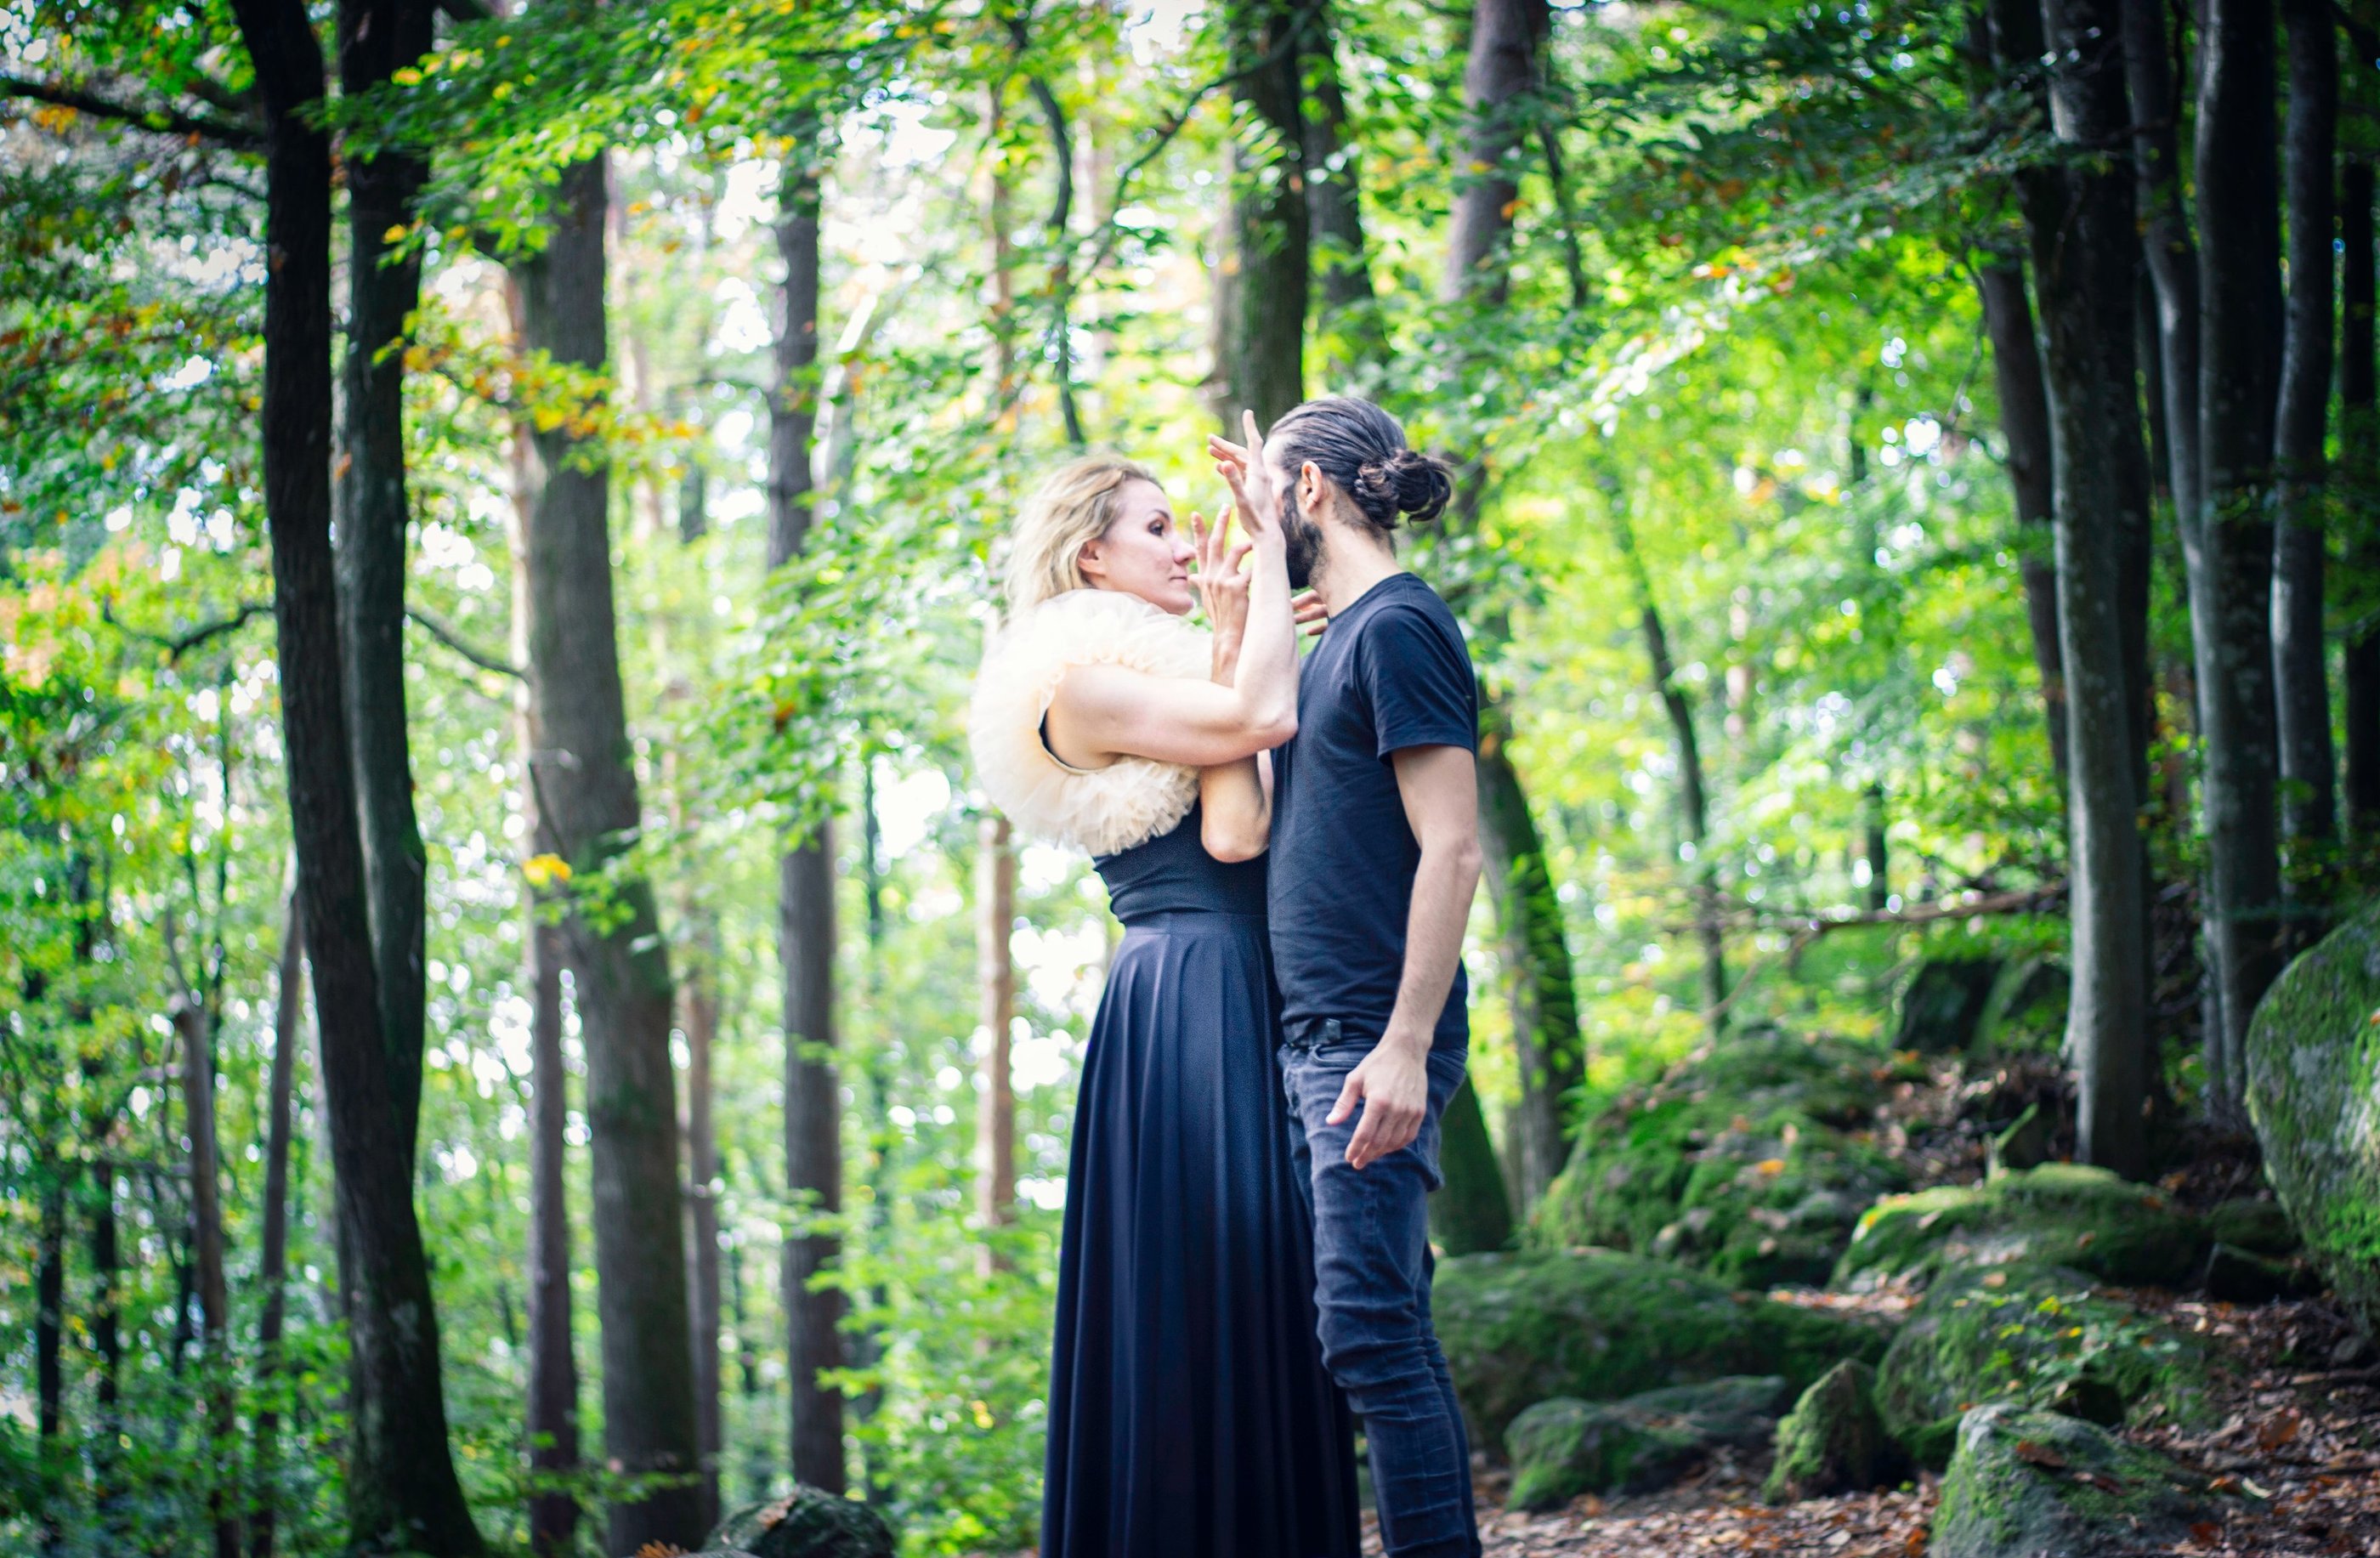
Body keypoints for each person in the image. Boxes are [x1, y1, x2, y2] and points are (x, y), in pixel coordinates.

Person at [968, 452, 1358, 1558]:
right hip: (1185, 996)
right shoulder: (1078, 685)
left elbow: (1243, 778)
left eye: (1185, 529)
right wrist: (1259, 606)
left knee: (1271, 1297)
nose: (1189, 547)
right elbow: (1238, 812)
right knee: (1201, 1299)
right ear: (1092, 552)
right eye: (1160, 529)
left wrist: (1239, 641)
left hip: (1251, 979)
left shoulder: (1181, 675)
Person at [1210, 396, 1485, 1558]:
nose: (1249, 513)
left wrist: (1409, 1042)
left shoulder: (1398, 629)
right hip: (1318, 1036)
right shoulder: (1337, 645)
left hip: (1372, 1036)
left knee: (1368, 1332)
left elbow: (1455, 844)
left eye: (1266, 489)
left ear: (1309, 491)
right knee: (1383, 1326)